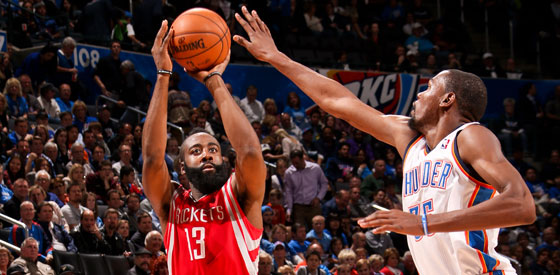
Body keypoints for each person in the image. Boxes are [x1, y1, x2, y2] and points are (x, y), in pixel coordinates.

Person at [234, 7, 536, 274]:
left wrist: (423, 223)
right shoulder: (410, 139)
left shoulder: (470, 136)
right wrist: (275, 57)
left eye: (428, 88)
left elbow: (523, 205)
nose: (418, 94)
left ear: (448, 99)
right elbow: (338, 101)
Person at [143, 20, 266, 274]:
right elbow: (153, 158)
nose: (208, 154)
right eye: (196, 152)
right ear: (182, 169)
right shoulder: (172, 204)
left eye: (213, 149)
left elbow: (250, 151)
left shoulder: (240, 197)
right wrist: (163, 74)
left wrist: (214, 82)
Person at [284, 150, 328, 229]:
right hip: (298, 207)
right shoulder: (289, 172)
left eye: (297, 163)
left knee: (317, 229)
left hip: (313, 206)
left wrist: (318, 198)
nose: (295, 165)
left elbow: (324, 183)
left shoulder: (315, 168)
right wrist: (289, 209)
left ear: (302, 159)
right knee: (299, 231)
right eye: (293, 163)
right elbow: (288, 192)